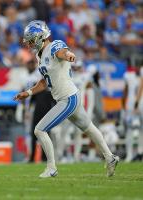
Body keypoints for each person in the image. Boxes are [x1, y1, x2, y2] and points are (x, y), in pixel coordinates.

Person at [13, 20, 119, 178]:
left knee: (39, 129)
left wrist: (69, 55)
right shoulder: (39, 55)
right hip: (68, 97)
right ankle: (110, 157)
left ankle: (51, 167)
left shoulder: (54, 46)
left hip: (68, 99)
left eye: (30, 40)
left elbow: (63, 52)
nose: (29, 44)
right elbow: (44, 81)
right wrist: (28, 93)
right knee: (88, 128)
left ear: (40, 37)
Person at [15, 60, 41, 161]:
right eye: (28, 65)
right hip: (28, 106)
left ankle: (43, 156)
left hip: (39, 104)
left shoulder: (38, 74)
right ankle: (30, 155)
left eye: (31, 65)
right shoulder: (23, 76)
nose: (29, 67)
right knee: (29, 131)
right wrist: (20, 108)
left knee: (41, 130)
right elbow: (22, 91)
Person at [122, 63, 143, 162]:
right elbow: (125, 91)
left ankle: (140, 152)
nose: (139, 69)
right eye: (138, 66)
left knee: (141, 131)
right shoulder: (129, 76)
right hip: (131, 108)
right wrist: (123, 107)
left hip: (141, 107)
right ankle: (129, 154)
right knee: (129, 131)